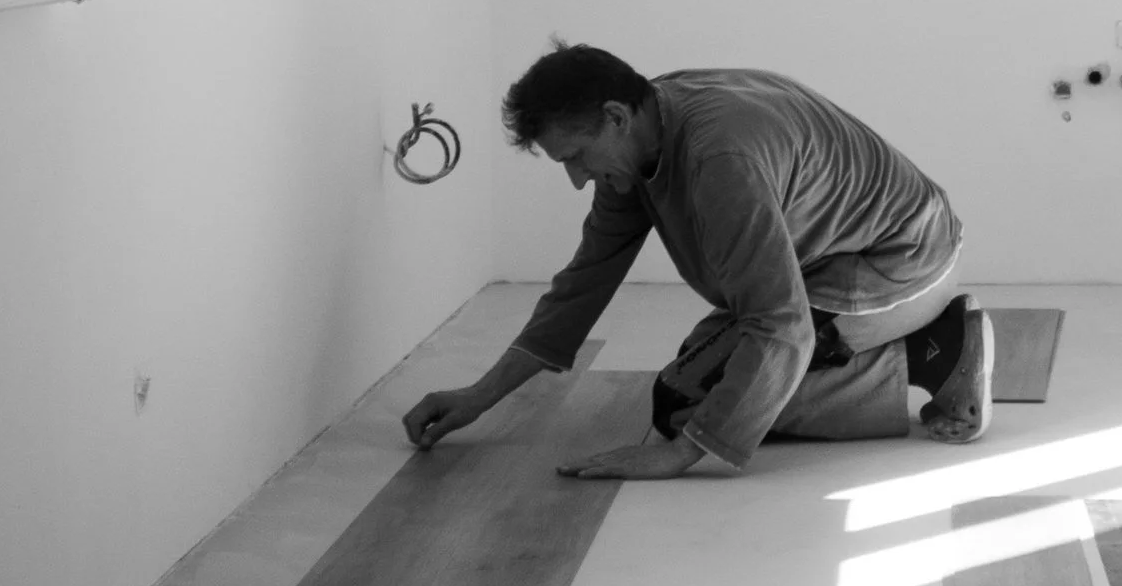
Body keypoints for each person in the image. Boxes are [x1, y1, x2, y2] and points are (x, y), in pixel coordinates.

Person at [401, 43, 991, 478]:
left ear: (614, 116)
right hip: (847, 259)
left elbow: (778, 320)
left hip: (901, 265)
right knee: (698, 371)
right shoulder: (648, 125)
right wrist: (479, 396)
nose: (579, 179)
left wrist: (683, 454)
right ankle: (914, 344)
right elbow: (583, 284)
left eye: (578, 157)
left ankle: (933, 354)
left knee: (688, 407)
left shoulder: (719, 160)